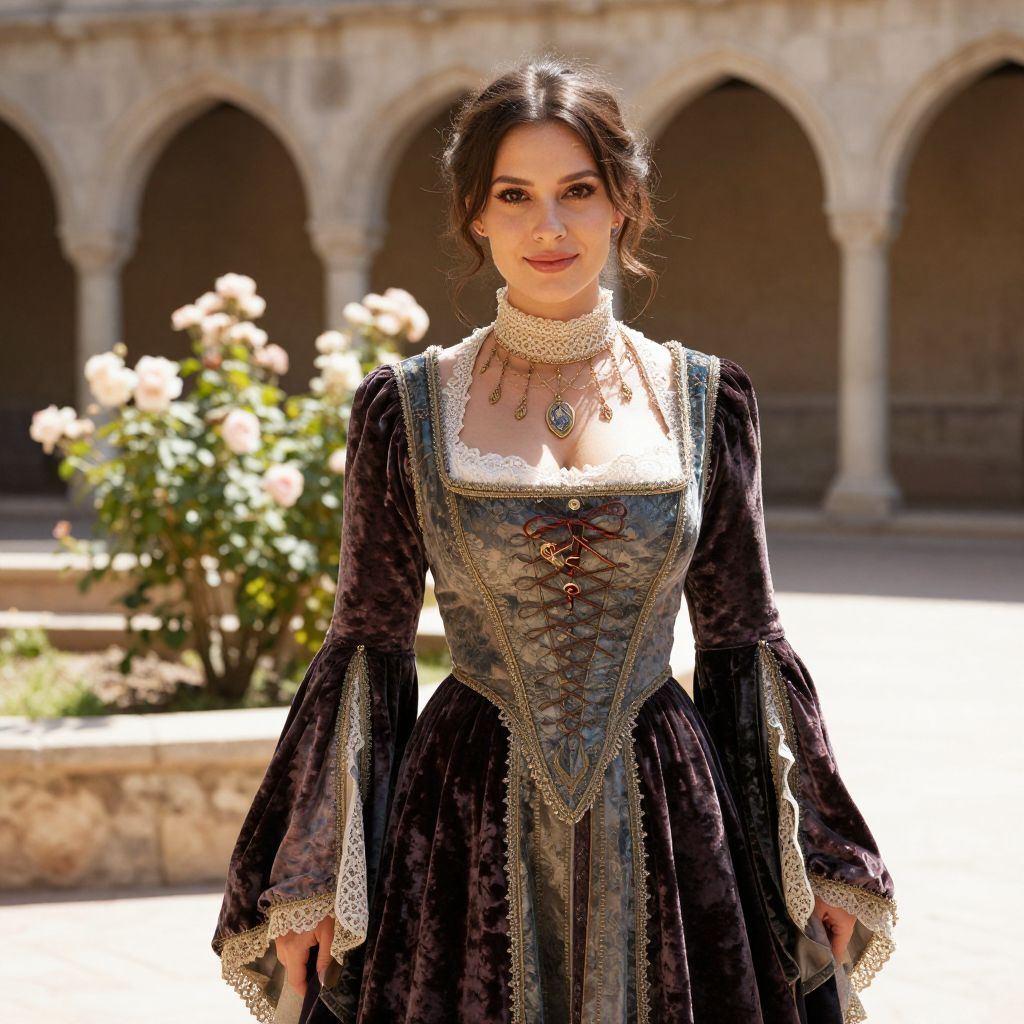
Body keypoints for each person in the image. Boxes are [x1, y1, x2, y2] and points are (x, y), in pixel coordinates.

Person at [211, 55, 897, 1024]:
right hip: (459, 822)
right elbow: (368, 645)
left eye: (578, 191)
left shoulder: (705, 401)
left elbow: (743, 641)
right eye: (515, 195)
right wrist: (315, 874)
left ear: (622, 203)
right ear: (474, 214)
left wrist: (817, 855)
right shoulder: (405, 409)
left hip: (670, 813)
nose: (549, 227)